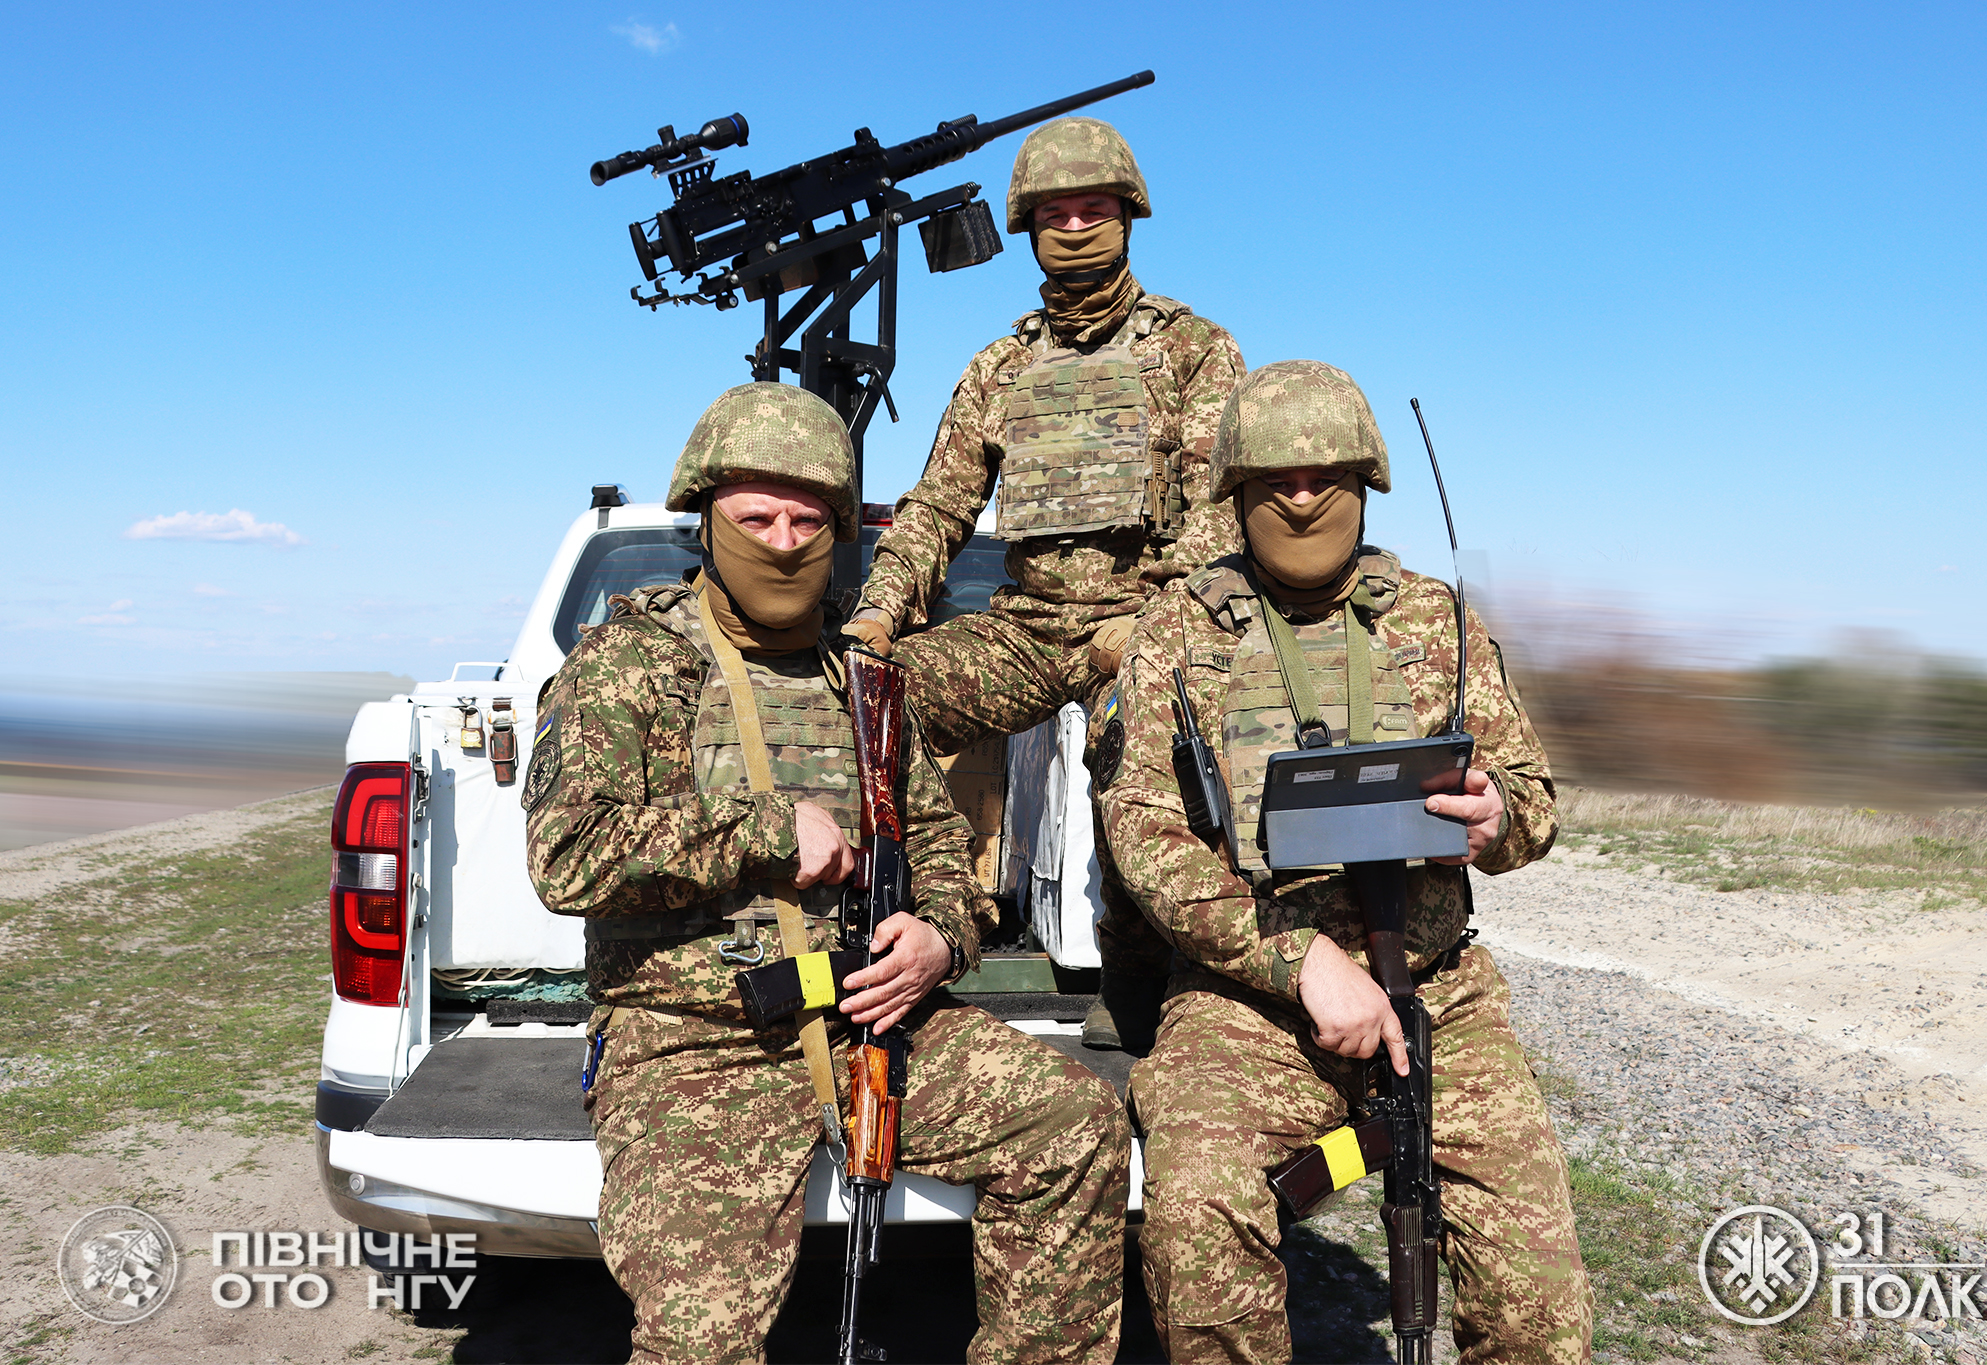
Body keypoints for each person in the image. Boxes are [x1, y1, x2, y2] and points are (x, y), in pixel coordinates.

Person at [524, 382, 1130, 1365]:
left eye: (808, 518)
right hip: (697, 1049)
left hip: (871, 1026)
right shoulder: (629, 665)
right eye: (756, 515)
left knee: (1076, 1126)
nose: (783, 539)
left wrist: (940, 936)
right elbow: (569, 853)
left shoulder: (863, 683)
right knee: (698, 1343)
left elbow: (938, 849)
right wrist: (760, 828)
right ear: (706, 517)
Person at [1099, 361, 1593, 1363]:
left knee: (1534, 1292)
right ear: (1235, 490)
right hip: (1250, 1003)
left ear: (1361, 481)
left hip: (1437, 993)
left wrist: (1495, 819)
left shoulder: (1433, 620)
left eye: (1322, 473)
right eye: (1273, 477)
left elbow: (1533, 805)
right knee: (1195, 1212)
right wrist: (1298, 963)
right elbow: (1144, 840)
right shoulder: (1175, 636)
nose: (1298, 494)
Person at [843, 116, 1246, 1052]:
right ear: (1027, 227)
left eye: (1093, 208)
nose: (1074, 227)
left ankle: (1138, 984)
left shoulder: (1193, 350)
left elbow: (1220, 518)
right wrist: (873, 620)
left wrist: (1150, 627)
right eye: (1054, 212)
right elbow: (938, 505)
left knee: (1139, 762)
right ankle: (920, 926)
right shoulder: (1002, 366)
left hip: (1149, 623)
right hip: (1025, 627)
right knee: (873, 706)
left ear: (1128, 216)